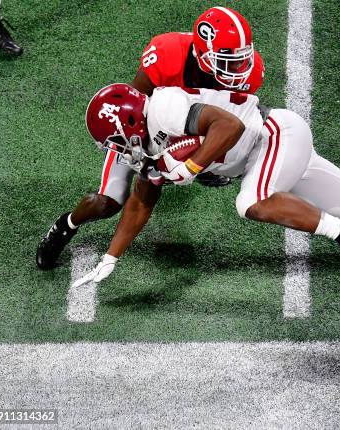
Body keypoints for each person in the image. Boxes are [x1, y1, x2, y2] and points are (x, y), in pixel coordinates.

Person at [71, 82, 340, 289]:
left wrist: (191, 165)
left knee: (252, 203)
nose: (114, 148)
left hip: (272, 136)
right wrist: (112, 257)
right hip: (270, 154)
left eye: (112, 138)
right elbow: (139, 205)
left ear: (126, 121)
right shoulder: (148, 148)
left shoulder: (165, 108)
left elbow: (226, 127)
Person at [36, 6, 264, 270]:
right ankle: (65, 226)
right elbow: (134, 104)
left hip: (188, 126)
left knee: (217, 143)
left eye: (241, 56)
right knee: (108, 202)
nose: (239, 67)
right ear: (203, 54)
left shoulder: (247, 70)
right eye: (228, 59)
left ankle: (201, 168)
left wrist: (196, 158)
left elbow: (227, 119)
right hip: (143, 128)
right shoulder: (168, 54)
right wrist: (147, 156)